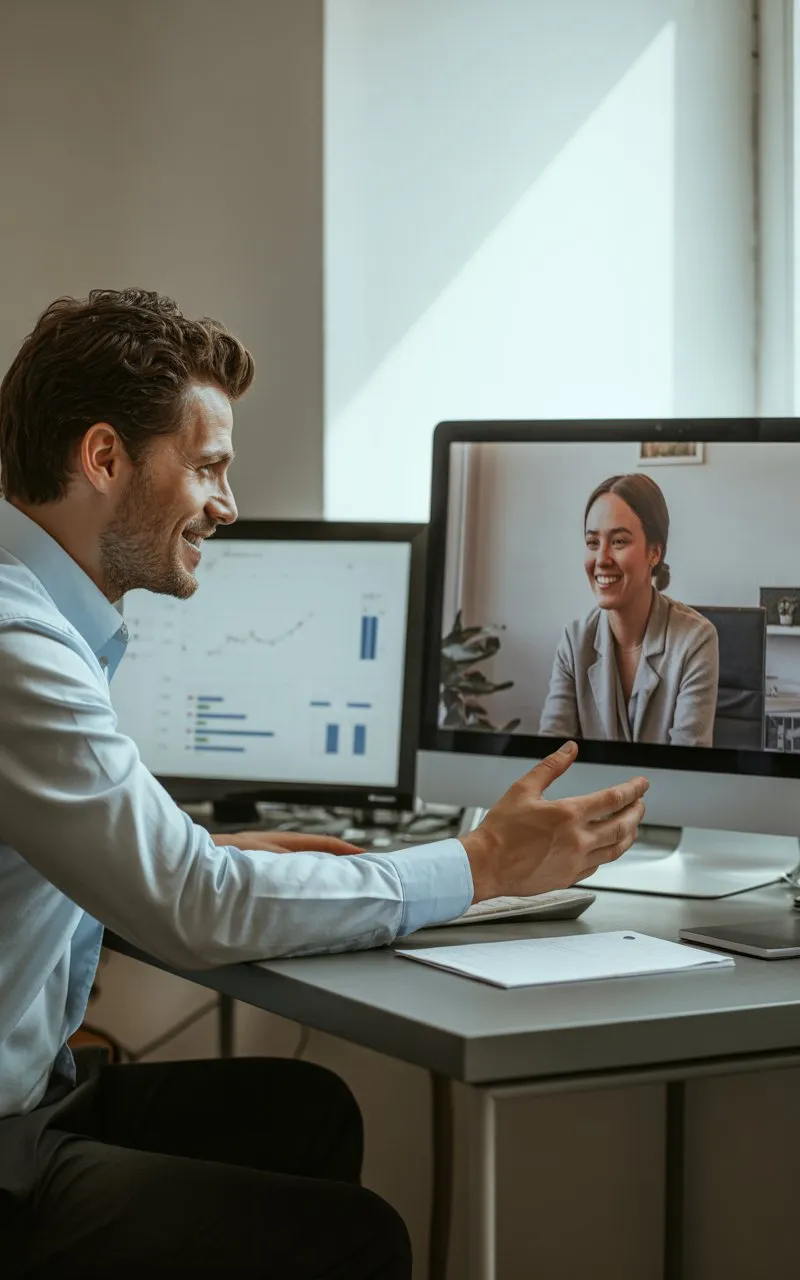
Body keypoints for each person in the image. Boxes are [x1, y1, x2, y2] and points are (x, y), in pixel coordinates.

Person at [0, 289, 648, 1280]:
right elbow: (193, 907)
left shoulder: (32, 607)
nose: (225, 503)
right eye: (208, 466)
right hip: (8, 1148)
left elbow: (101, 859)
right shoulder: (18, 645)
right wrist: (478, 862)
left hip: (32, 1104)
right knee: (354, 1237)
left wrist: (195, 851)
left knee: (307, 1113)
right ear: (101, 457)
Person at [539, 471, 719, 747]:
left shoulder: (695, 640)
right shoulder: (574, 642)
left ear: (654, 553)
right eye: (592, 543)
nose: (601, 559)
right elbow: (549, 761)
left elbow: (687, 770)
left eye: (619, 541)